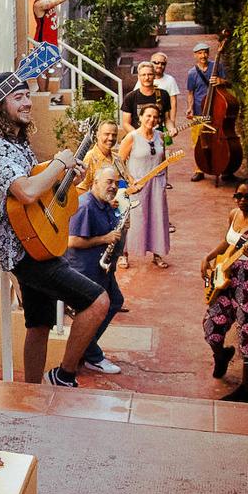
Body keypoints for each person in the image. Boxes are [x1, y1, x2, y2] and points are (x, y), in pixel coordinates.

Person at [0, 72, 110, 387]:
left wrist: (68, 180)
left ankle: (31, 390)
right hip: (24, 252)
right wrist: (59, 163)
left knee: (39, 324)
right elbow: (27, 192)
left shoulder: (16, 143)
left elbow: (40, 198)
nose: (26, 103)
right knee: (98, 301)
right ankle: (64, 375)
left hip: (37, 242)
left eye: (26, 96)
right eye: (17, 97)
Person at [201, 178, 248, 402]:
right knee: (212, 325)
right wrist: (209, 257)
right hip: (227, 280)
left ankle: (247, 389)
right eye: (238, 196)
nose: (242, 201)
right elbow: (228, 240)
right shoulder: (234, 214)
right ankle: (222, 355)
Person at [65, 167, 127, 374]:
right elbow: (71, 241)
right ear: (95, 182)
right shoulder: (85, 206)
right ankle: (92, 354)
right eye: (109, 182)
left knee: (115, 301)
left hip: (102, 268)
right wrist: (105, 239)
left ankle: (86, 347)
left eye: (115, 183)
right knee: (95, 311)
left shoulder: (106, 203)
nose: (113, 187)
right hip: (85, 270)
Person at [119, 104, 171, 269]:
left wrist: (165, 181)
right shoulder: (131, 137)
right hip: (138, 184)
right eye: (148, 116)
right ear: (140, 118)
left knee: (158, 217)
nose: (151, 119)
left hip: (157, 182)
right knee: (133, 219)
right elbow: (119, 162)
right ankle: (123, 254)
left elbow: (164, 162)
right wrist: (130, 179)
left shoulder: (160, 136)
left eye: (155, 117)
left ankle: (157, 253)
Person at [27, 0, 81, 91]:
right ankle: (42, 93)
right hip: (42, 41)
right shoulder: (38, 4)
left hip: (51, 40)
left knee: (48, 67)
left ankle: (46, 92)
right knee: (42, 69)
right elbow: (57, 1)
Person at [186, 41, 229, 182]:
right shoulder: (192, 73)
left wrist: (221, 81)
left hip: (216, 109)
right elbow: (190, 93)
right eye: (200, 53)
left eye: (205, 52)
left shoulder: (217, 67)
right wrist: (190, 108)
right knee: (198, 141)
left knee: (221, 141)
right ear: (195, 55)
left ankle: (224, 167)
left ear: (208, 54)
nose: (203, 55)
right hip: (199, 110)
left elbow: (228, 83)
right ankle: (199, 169)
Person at [122, 61, 175, 134]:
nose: (147, 78)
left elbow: (167, 119)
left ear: (154, 76)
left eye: (150, 74)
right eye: (143, 75)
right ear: (138, 77)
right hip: (137, 140)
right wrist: (139, 136)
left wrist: (171, 128)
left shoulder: (163, 95)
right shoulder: (130, 97)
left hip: (157, 139)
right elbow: (126, 123)